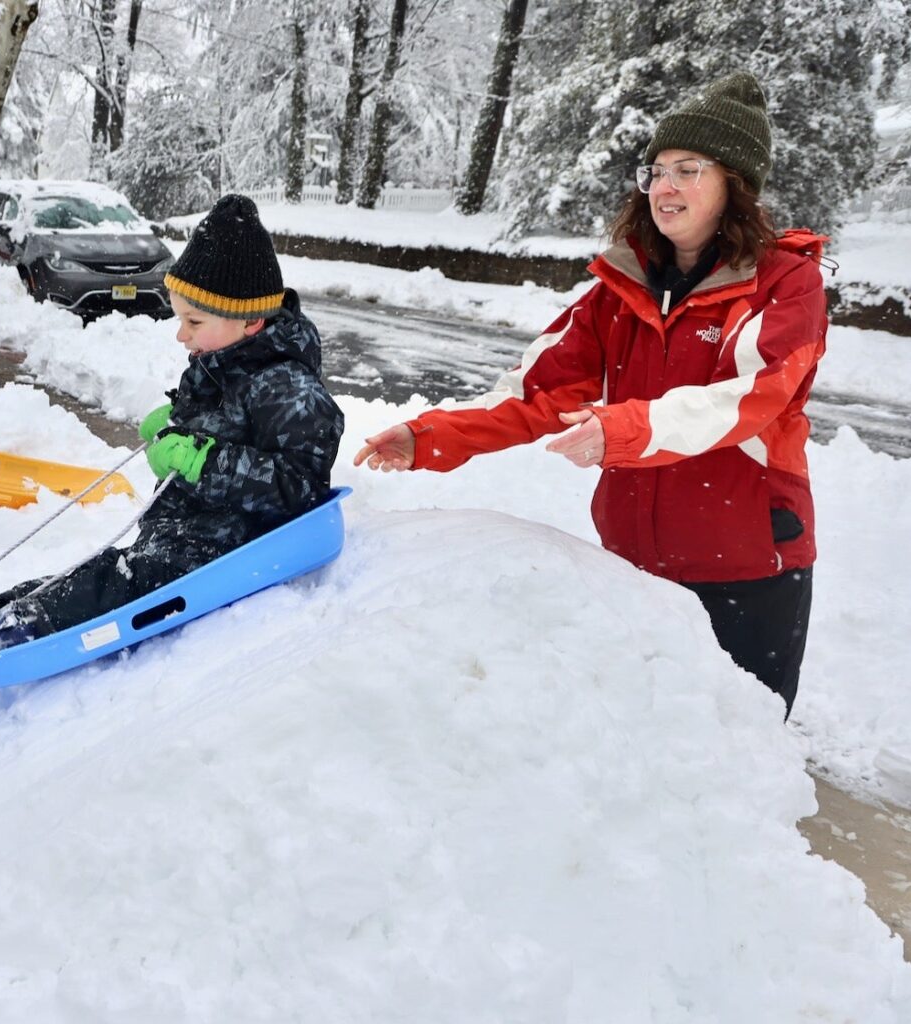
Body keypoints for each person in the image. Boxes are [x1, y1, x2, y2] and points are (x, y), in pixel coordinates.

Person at [351, 71, 826, 717]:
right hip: (633, 558)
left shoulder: (785, 284)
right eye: (656, 170)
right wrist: (433, 434)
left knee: (744, 744)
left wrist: (623, 427)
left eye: (688, 169)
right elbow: (539, 389)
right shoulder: (619, 288)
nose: (664, 186)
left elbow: (748, 400)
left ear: (735, 185)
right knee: (642, 736)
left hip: (747, 560)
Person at [0, 195, 344, 665]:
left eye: (193, 322)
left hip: (229, 547)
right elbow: (216, 428)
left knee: (115, 585)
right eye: (181, 320)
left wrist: (203, 462)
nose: (182, 335)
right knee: (101, 571)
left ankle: (4, 636)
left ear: (251, 321)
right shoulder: (221, 361)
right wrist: (175, 427)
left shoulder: (291, 390)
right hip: (185, 530)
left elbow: (301, 486)